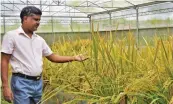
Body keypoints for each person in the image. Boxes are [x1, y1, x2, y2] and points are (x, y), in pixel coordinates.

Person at [1, 6, 88, 104]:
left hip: (38, 82)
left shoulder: (39, 40)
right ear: (25, 18)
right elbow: (4, 61)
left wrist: (74, 58)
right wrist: (5, 86)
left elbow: (53, 57)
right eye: (35, 19)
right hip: (21, 82)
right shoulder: (11, 36)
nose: (38, 23)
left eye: (39, 20)